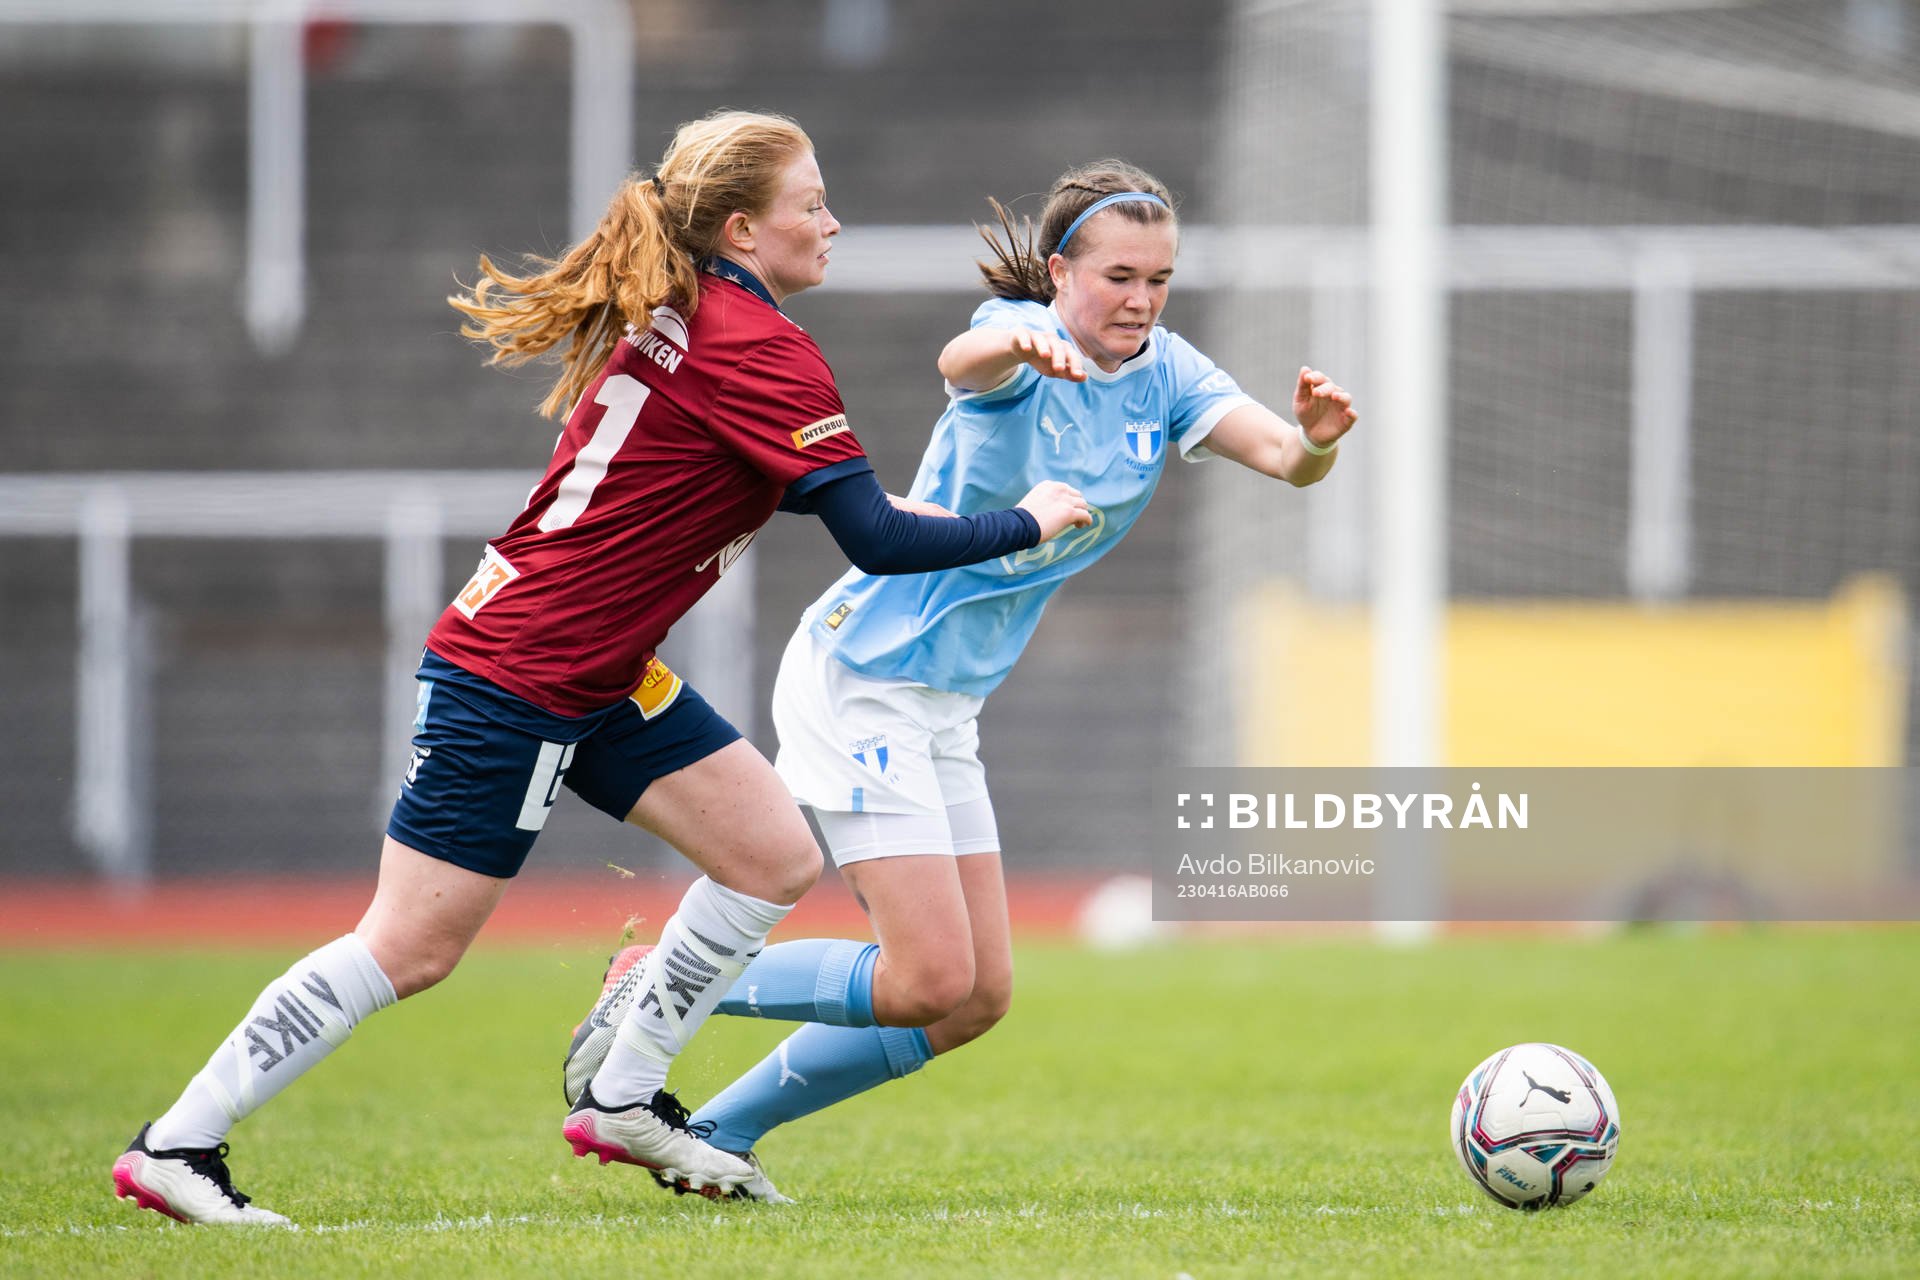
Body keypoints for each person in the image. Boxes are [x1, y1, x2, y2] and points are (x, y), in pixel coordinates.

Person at [109, 109, 1094, 1227]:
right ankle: (178, 1143)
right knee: (412, 944)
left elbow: (857, 504)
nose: (833, 222)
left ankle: (625, 1093)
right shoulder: (760, 345)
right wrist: (1028, 521)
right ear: (740, 227)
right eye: (810, 204)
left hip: (597, 665)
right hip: (525, 670)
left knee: (771, 853)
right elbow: (874, 535)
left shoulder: (699, 311)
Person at [561, 159, 1359, 1202]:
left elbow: (1283, 455)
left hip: (944, 704)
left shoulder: (1168, 373)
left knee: (972, 998)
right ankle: (655, 981)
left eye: (1159, 279)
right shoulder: (1018, 346)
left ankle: (719, 1130)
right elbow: (965, 356)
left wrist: (1317, 446)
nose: (1141, 299)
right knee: (927, 973)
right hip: (865, 675)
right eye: (1119, 275)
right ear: (1062, 271)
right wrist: (1013, 335)